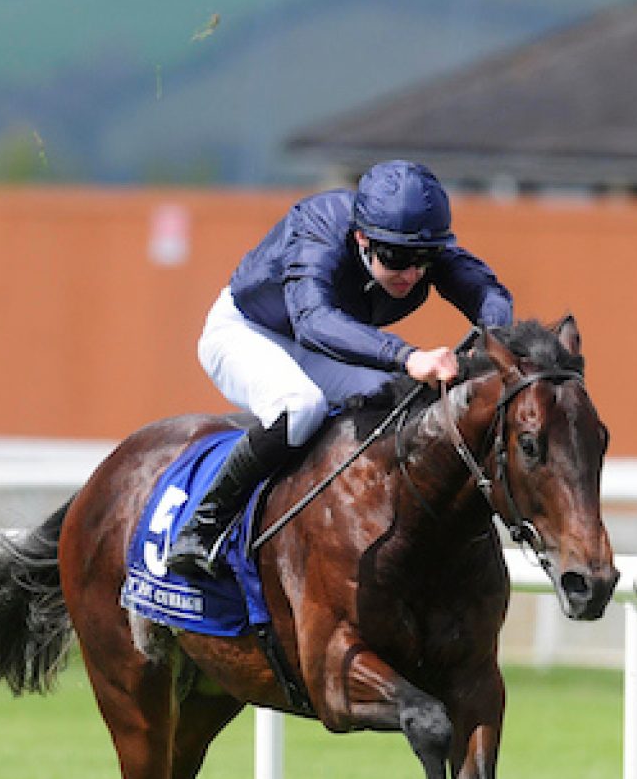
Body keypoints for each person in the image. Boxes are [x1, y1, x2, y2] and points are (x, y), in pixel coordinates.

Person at [165, 158, 515, 578]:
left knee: (408, 406)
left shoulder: (411, 240)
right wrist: (408, 356)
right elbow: (314, 322)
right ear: (361, 238)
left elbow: (486, 292)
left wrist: (496, 341)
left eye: (425, 259)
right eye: (396, 258)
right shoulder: (317, 226)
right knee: (301, 405)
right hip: (249, 331)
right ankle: (203, 525)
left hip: (324, 346)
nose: (412, 272)